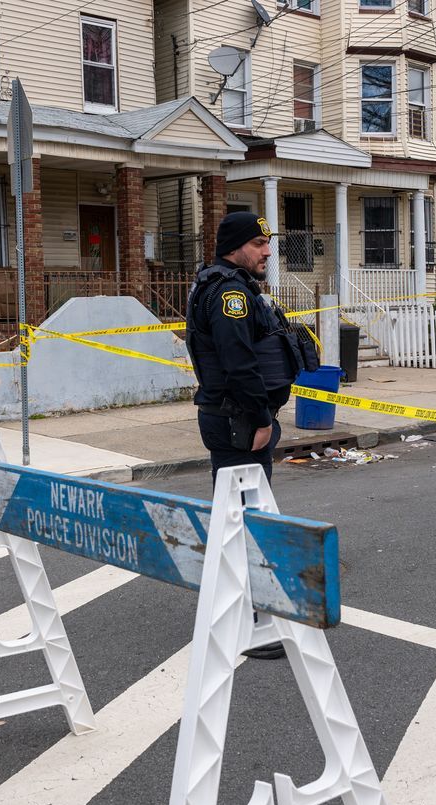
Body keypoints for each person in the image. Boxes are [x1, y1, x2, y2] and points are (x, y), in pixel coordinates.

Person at [186, 211, 302, 660]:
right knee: (243, 522)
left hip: (233, 416)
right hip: (238, 419)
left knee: (235, 518)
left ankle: (238, 613)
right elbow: (238, 363)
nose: (267, 252)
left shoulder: (222, 285)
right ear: (235, 247)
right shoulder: (230, 293)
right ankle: (249, 622)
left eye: (267, 243)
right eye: (258, 244)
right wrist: (260, 418)